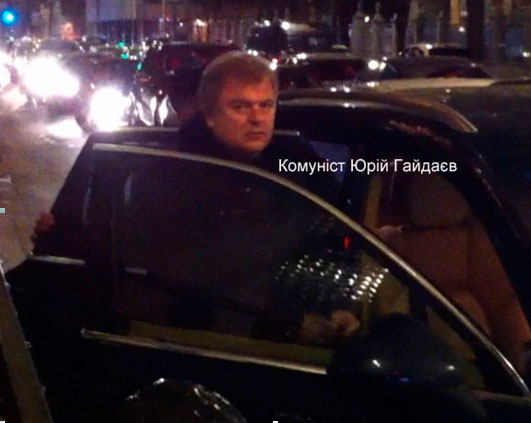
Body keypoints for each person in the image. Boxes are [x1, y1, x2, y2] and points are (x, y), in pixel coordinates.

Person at [176, 51, 337, 201]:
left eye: (266, 105)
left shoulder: (296, 156)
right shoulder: (181, 172)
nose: (257, 118)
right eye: (240, 107)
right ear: (209, 115)